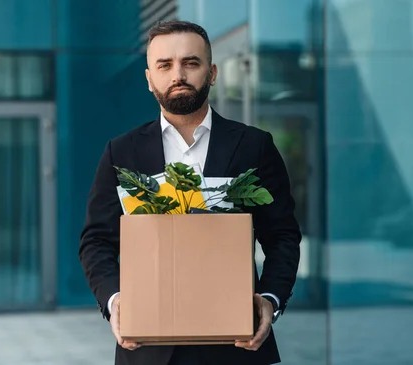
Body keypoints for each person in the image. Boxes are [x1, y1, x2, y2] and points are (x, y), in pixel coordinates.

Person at [79, 20, 302, 365]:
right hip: (147, 346)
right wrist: (115, 301)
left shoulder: (254, 146)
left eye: (191, 63)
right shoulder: (120, 153)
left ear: (212, 73)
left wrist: (269, 300)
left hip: (237, 345)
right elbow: (96, 240)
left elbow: (283, 236)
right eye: (164, 65)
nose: (177, 74)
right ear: (149, 78)